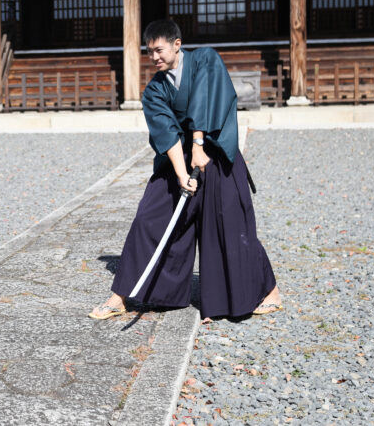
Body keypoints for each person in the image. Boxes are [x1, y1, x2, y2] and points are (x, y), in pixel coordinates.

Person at [89, 19, 281, 321]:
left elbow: (206, 101)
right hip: (181, 160)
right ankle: (122, 296)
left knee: (230, 225)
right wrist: (181, 173)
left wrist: (199, 144)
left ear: (177, 44)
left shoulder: (206, 59)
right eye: (150, 52)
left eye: (159, 50)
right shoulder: (154, 90)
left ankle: (267, 292)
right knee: (149, 218)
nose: (155, 57)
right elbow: (165, 132)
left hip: (216, 154)